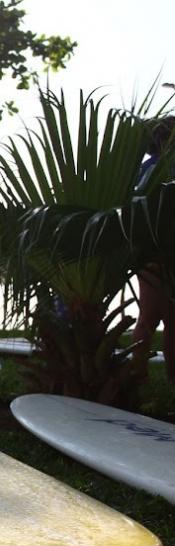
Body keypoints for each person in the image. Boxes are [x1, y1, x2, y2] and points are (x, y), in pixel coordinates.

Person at [133, 117, 175, 380]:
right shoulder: (159, 167)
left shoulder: (147, 168)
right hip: (157, 250)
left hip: (151, 249)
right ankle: (137, 377)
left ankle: (163, 378)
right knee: (152, 314)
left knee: (163, 316)